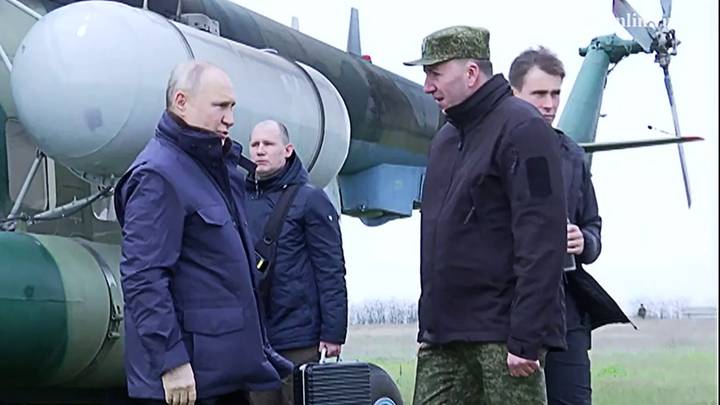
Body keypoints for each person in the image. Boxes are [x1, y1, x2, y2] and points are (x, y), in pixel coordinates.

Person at [403, 26, 568, 405]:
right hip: (443, 337)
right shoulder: (444, 140)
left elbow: (543, 238)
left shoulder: (525, 129)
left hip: (504, 338)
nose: (427, 86)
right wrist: (429, 326)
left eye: (435, 73)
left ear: (471, 73)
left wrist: (526, 336)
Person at [114, 61, 292, 405]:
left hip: (222, 378)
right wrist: (172, 362)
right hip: (186, 385)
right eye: (220, 106)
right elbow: (143, 277)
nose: (230, 118)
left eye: (232, 107)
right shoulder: (158, 175)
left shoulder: (213, 171)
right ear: (181, 101)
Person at [509, 46, 632, 405]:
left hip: (566, 314)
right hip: (507, 309)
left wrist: (584, 241)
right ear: (514, 93)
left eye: (555, 94)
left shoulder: (572, 156)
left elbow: (593, 225)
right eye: (539, 94)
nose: (549, 104)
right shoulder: (491, 152)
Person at [244, 120, 348, 405]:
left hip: (300, 339)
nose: (260, 150)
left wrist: (333, 333)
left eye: (268, 144)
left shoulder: (311, 199)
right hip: (257, 340)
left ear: (287, 150)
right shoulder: (240, 200)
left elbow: (330, 270)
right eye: (255, 144)